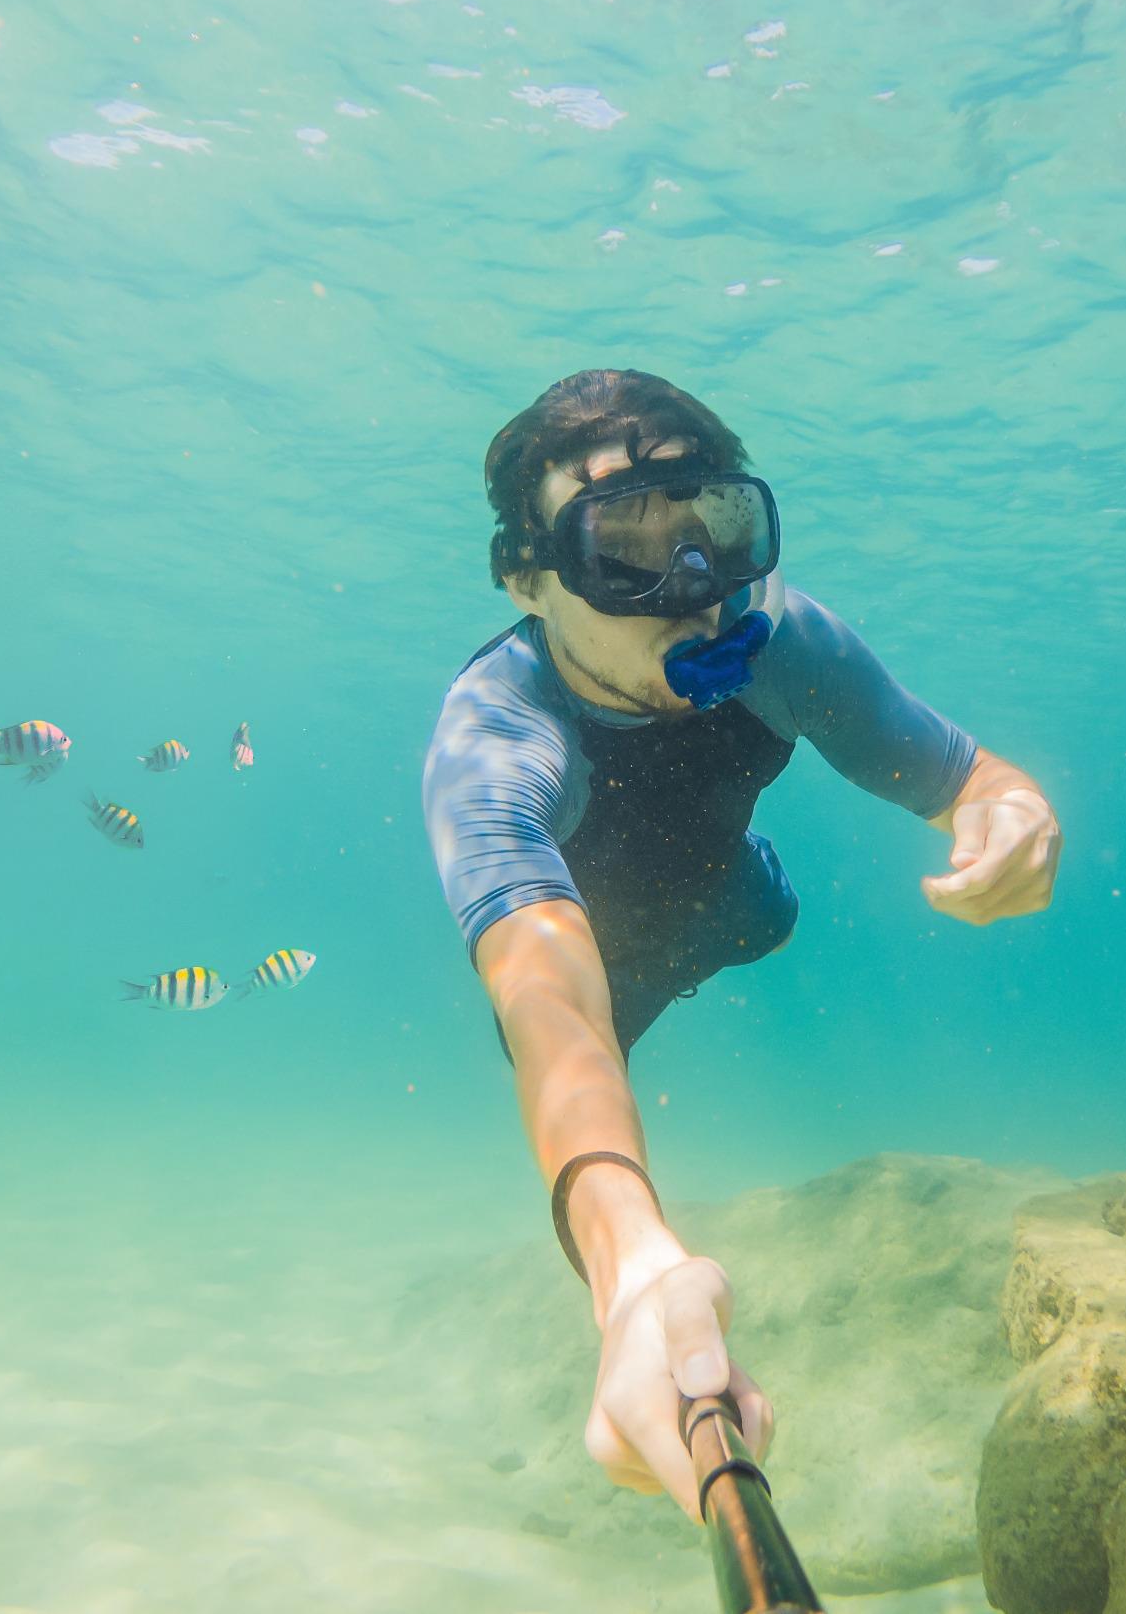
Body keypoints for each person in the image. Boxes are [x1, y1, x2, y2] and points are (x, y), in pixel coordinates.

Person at [420, 369, 1061, 1520]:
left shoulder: (782, 641)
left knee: (763, 916)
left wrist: (1015, 815)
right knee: (577, 1041)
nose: (695, 593)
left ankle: (744, 909)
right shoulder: (496, 732)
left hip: (726, 900)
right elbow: (549, 1002)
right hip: (600, 957)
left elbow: (968, 774)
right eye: (624, 548)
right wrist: (633, 1270)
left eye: (714, 529)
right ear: (526, 577)